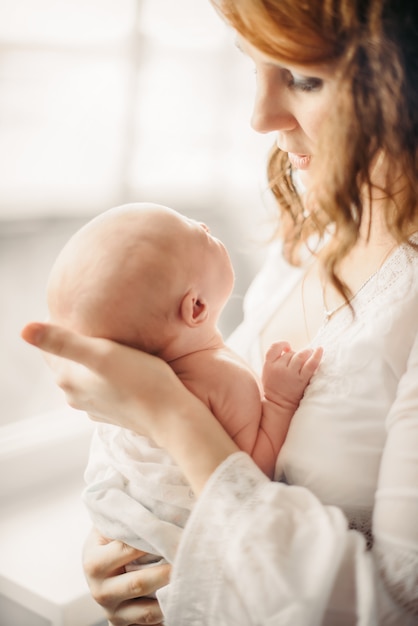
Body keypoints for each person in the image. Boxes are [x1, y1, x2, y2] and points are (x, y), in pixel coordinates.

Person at [21, 0, 418, 624]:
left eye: (304, 78)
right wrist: (130, 543)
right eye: (253, 64)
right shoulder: (315, 225)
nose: (259, 118)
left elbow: (391, 610)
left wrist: (165, 411)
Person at [46, 201, 321, 604]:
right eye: (200, 233)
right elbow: (249, 476)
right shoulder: (222, 380)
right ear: (196, 307)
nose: (207, 225)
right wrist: (280, 400)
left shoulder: (139, 385)